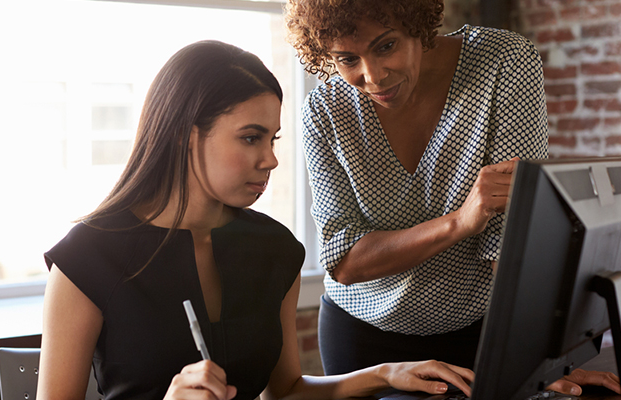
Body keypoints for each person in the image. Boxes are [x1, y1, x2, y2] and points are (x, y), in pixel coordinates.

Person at [37, 40, 477, 400]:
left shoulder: (275, 249)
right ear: (183, 135)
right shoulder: (86, 259)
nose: (270, 160)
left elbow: (285, 391)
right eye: (250, 138)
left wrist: (385, 374)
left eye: (272, 139)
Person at [284, 0, 621, 396]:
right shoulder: (324, 112)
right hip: (365, 340)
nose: (372, 76)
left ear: (417, 21)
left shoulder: (503, 62)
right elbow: (343, 260)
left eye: (386, 46)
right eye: (347, 59)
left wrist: (539, 359)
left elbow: (508, 234)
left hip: (483, 332)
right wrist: (460, 221)